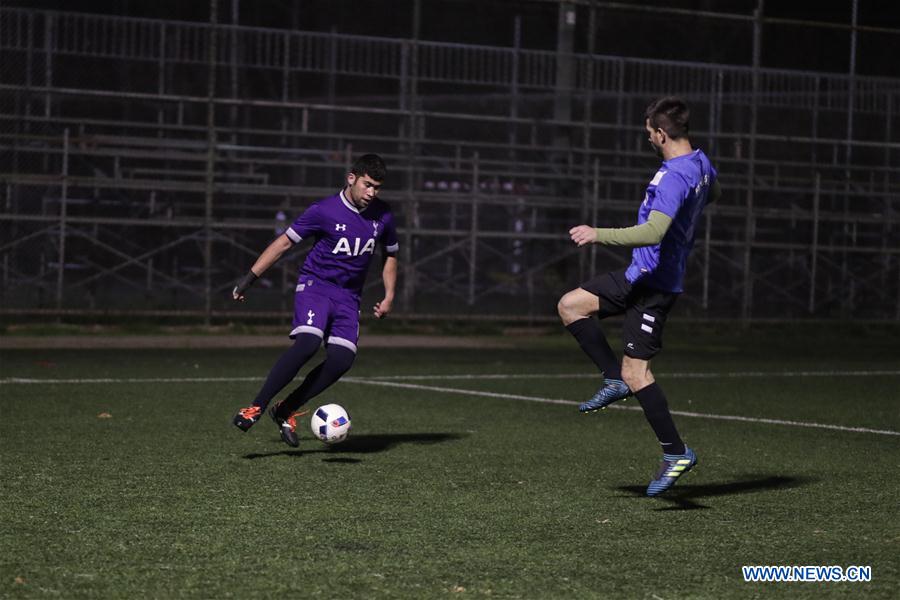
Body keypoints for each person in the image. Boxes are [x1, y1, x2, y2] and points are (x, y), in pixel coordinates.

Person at [558, 97, 720, 497]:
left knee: (639, 374)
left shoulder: (674, 177)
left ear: (661, 133)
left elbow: (653, 232)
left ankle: (676, 452)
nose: (647, 138)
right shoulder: (700, 163)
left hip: (655, 285)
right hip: (637, 275)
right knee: (571, 305)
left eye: (649, 132)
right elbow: (711, 193)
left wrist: (599, 234)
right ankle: (612, 379)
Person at [231, 154, 399, 447]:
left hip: (349, 298)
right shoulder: (323, 210)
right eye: (367, 185)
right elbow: (283, 243)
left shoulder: (383, 215)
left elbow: (391, 255)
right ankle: (255, 406)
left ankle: (285, 409)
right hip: (316, 287)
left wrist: (389, 296)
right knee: (308, 342)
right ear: (351, 179)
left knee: (341, 360)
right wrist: (249, 279)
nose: (372, 193)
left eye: (377, 187)